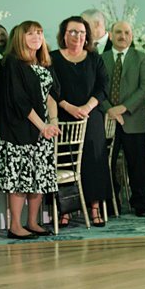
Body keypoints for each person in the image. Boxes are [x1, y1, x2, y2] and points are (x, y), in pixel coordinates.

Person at [0, 21, 61, 240]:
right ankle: (15, 225)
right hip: (19, 129)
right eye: (30, 33)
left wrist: (52, 121)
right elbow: (19, 101)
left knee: (39, 177)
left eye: (39, 33)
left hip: (43, 130)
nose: (36, 37)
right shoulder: (13, 63)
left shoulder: (45, 62)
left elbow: (53, 94)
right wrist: (42, 126)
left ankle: (32, 221)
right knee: (19, 179)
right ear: (20, 38)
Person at [53, 16, 110, 226]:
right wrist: (68, 107)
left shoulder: (95, 59)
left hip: (90, 117)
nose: (78, 36)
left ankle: (94, 209)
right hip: (63, 116)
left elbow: (103, 86)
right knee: (65, 162)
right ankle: (66, 210)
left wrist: (87, 107)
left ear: (87, 36)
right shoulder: (53, 58)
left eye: (82, 32)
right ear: (64, 34)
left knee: (94, 162)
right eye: (73, 32)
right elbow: (50, 88)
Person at [103, 21, 145, 218]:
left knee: (138, 166)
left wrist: (123, 108)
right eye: (118, 32)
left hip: (134, 120)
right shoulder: (101, 59)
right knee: (106, 164)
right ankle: (111, 202)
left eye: (126, 32)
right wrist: (110, 110)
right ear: (110, 35)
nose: (122, 36)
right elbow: (98, 89)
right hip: (108, 121)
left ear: (132, 36)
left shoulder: (142, 58)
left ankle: (140, 203)